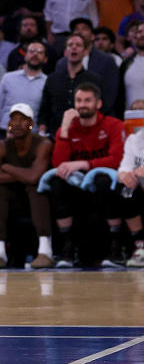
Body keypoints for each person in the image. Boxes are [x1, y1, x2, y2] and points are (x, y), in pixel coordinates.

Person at [49, 84, 126, 267]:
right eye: (78, 100)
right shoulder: (67, 129)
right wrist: (65, 128)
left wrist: (85, 164)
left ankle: (116, 249)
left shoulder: (114, 125)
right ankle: (67, 249)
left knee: (103, 180)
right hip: (78, 187)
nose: (82, 105)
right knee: (57, 182)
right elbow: (58, 164)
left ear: (98, 104)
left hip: (106, 185)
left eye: (87, 100)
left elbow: (117, 159)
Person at [0, 103, 54, 269]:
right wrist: (21, 175)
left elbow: (34, 177)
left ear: (31, 124)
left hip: (39, 200)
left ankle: (45, 251)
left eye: (23, 120)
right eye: (13, 120)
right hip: (14, 201)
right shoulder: (2, 146)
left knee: (36, 188)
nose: (18, 124)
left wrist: (6, 167)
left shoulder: (43, 144)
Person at [0, 43, 48, 155]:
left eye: (39, 52)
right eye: (32, 51)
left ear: (45, 59)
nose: (35, 54)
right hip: (4, 135)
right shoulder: (8, 78)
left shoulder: (48, 82)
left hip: (31, 138)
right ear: (25, 55)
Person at [38, 34, 102, 137]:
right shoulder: (52, 79)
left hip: (86, 134)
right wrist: (42, 131)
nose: (74, 47)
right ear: (65, 52)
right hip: (55, 134)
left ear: (85, 52)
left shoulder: (94, 79)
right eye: (70, 45)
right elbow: (45, 109)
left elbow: (99, 109)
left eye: (78, 45)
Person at [117, 125, 144, 267]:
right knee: (126, 189)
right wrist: (124, 175)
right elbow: (125, 167)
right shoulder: (135, 139)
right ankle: (140, 244)